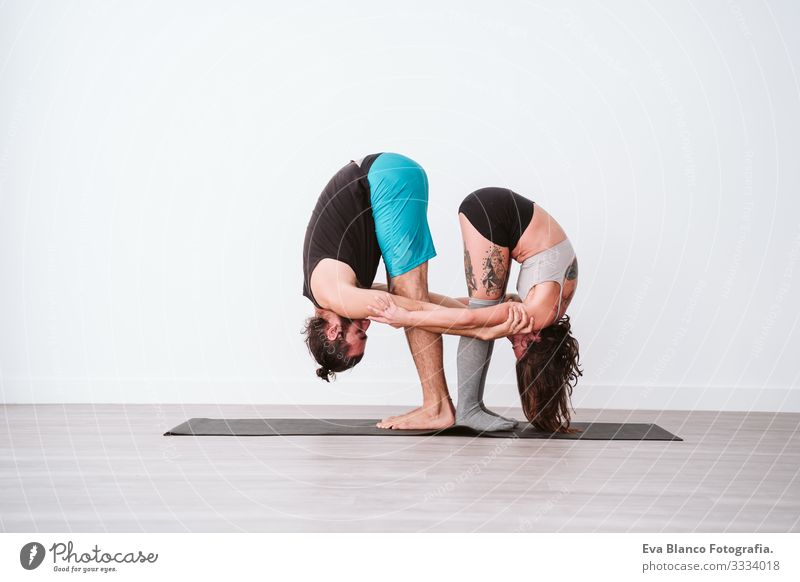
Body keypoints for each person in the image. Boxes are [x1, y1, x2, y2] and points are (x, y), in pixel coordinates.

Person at [302, 154, 530, 430]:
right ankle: (437, 405)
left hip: (385, 181)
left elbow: (413, 308)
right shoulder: (332, 292)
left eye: (359, 332)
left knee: (407, 302)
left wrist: (480, 327)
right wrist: (488, 313)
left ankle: (436, 407)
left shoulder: (338, 296)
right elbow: (425, 302)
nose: (366, 324)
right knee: (409, 299)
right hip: (390, 176)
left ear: (332, 332)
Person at [368, 187, 582, 433]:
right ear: (536, 337)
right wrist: (406, 318)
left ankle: (473, 407)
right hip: (493, 214)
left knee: (483, 313)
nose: (512, 343)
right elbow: (471, 319)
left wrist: (405, 301)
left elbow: (462, 308)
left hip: (494, 209)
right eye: (519, 348)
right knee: (483, 317)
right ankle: (469, 409)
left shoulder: (545, 307)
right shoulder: (536, 316)